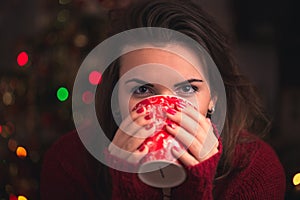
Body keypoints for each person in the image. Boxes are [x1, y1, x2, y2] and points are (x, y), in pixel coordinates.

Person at [40, 0, 286, 199]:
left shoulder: (255, 169)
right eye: (143, 90)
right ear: (116, 99)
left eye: (188, 89)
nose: (165, 112)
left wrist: (195, 187)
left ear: (214, 98)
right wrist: (128, 184)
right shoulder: (69, 162)